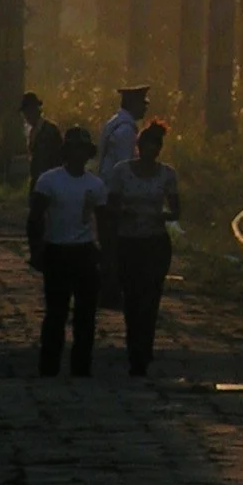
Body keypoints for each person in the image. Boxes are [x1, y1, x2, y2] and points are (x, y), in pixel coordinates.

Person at [27, 126, 107, 378]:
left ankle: (81, 366)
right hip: (57, 250)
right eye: (74, 148)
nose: (78, 154)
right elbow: (36, 218)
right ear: (66, 152)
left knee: (85, 314)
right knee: (56, 313)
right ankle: (49, 365)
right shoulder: (49, 181)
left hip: (84, 252)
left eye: (82, 150)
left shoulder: (95, 184)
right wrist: (36, 249)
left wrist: (106, 254)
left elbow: (103, 223)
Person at [104, 120, 181, 377]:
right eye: (147, 146)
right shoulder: (121, 172)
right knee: (132, 298)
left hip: (155, 242)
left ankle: (143, 349)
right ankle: (134, 347)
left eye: (155, 147)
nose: (151, 151)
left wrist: (164, 216)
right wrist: (124, 213)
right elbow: (111, 206)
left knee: (150, 299)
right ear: (139, 147)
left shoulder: (167, 174)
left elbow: (176, 210)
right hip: (128, 242)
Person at [97, 84, 149, 174]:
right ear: (133, 104)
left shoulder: (114, 122)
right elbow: (125, 164)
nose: (145, 108)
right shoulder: (126, 130)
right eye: (142, 104)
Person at [20, 92, 64, 189]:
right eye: (25, 114)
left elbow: (60, 158)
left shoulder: (51, 131)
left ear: (35, 110)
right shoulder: (31, 132)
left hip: (50, 181)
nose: (26, 117)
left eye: (28, 112)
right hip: (37, 181)